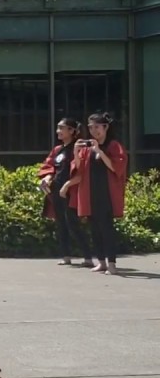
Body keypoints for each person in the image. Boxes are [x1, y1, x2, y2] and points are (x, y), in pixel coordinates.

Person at [68, 112, 128, 275]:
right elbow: (78, 167)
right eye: (91, 128)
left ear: (106, 127)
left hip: (106, 194)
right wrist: (75, 151)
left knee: (106, 229)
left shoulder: (113, 145)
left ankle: (112, 264)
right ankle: (101, 262)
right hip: (90, 193)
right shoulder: (88, 148)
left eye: (97, 127)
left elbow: (117, 167)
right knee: (94, 228)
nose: (94, 131)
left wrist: (100, 152)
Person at [38, 118, 92, 267]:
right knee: (61, 223)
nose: (58, 131)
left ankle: (88, 257)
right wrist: (48, 177)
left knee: (73, 223)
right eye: (58, 128)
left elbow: (81, 170)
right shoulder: (57, 149)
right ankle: (66, 255)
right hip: (57, 189)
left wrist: (68, 185)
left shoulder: (79, 147)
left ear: (72, 131)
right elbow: (50, 166)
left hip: (71, 190)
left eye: (62, 128)